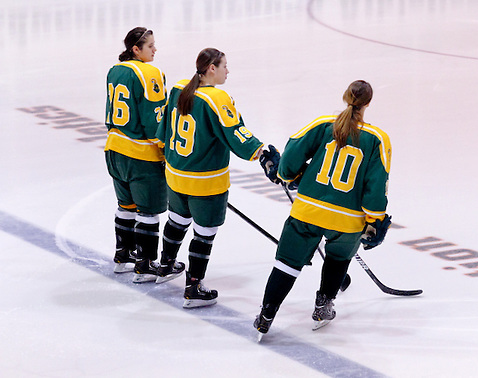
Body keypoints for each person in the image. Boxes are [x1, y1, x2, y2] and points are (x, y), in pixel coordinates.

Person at [254, 80, 392, 338]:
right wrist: (375, 219)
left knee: (287, 263)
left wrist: (285, 173)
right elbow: (376, 185)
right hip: (348, 220)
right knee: (339, 259)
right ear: (369, 103)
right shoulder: (378, 139)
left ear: (345, 98)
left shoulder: (323, 123)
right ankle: (323, 307)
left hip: (307, 210)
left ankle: (266, 313)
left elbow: (293, 153)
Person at [156, 47, 278, 308]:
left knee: (177, 220)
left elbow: (163, 129)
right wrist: (263, 153)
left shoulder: (179, 88)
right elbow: (236, 133)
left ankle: (165, 266)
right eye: (224, 66)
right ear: (212, 68)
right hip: (205, 182)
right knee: (204, 232)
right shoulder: (216, 98)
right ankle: (193, 287)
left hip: (175, 175)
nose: (227, 71)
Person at [104, 27, 185, 284]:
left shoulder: (115, 70)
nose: (155, 50)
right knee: (148, 211)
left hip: (114, 150)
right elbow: (155, 117)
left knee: (126, 206)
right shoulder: (150, 72)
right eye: (150, 46)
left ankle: (123, 255)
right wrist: (165, 149)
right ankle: (145, 265)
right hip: (139, 155)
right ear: (136, 49)